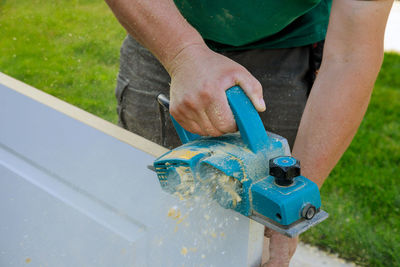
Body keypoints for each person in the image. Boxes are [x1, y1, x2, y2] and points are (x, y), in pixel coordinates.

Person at [105, 0, 394, 266]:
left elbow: (351, 56)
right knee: (142, 216)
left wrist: (290, 212)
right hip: (161, 20)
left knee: (255, 243)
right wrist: (182, 53)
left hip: (284, 45)